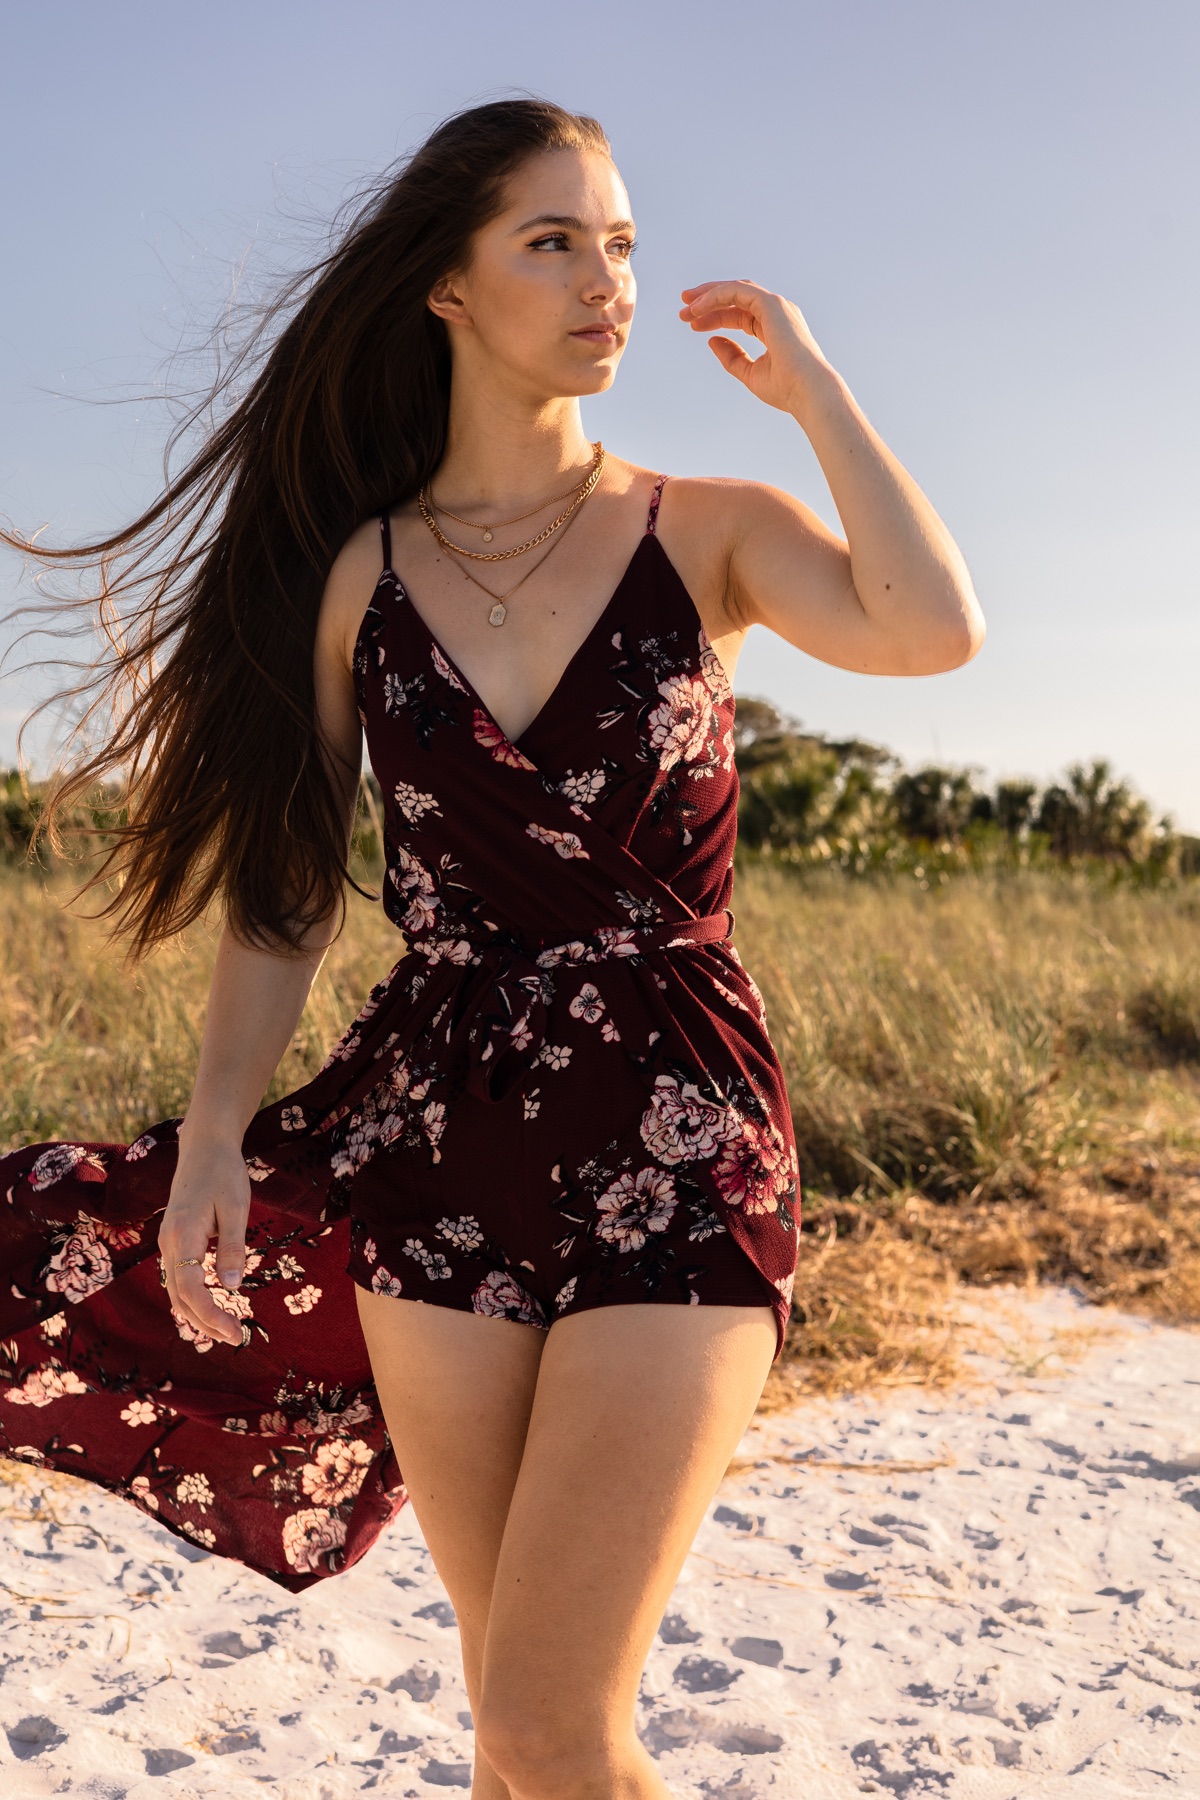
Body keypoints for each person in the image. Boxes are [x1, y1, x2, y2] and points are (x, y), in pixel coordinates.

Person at [0, 99, 983, 1799]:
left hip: (679, 1122)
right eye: (555, 241)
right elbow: (291, 888)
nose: (608, 279)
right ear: (445, 288)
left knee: (550, 1722)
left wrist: (814, 389)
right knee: (508, 1732)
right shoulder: (362, 578)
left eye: (620, 243)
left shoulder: (708, 527)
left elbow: (930, 630)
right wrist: (217, 1129)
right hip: (437, 1138)